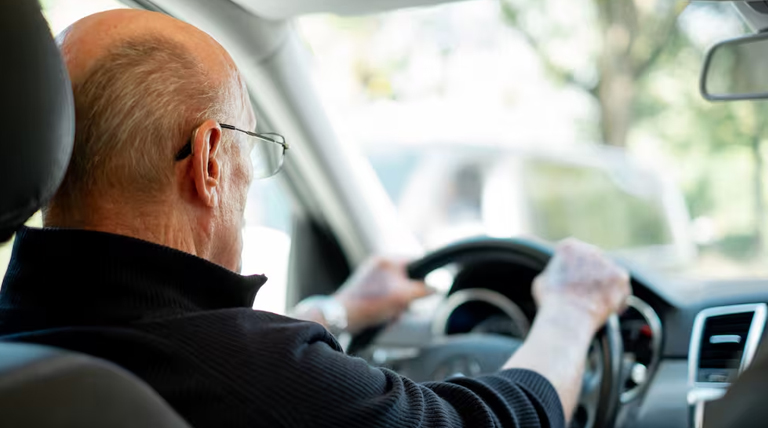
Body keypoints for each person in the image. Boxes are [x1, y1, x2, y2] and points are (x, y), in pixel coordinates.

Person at [0, 9, 631, 428]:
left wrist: (334, 312)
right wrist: (573, 312)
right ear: (211, 160)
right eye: (251, 148)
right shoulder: (257, 376)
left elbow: (170, 341)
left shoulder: (21, 347)